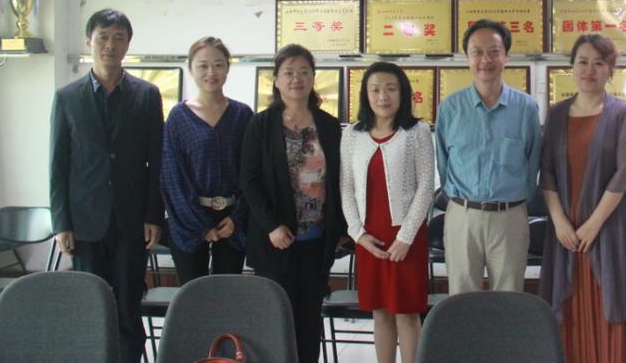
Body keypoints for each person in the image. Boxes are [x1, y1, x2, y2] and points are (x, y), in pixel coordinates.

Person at [49, 8, 164, 363]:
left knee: (128, 307)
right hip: (85, 223)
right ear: (89, 42)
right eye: (103, 37)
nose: (110, 45)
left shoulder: (147, 95)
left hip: (132, 221)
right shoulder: (67, 97)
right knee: (90, 306)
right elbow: (58, 165)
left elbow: (156, 162)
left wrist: (153, 215)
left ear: (128, 44)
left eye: (118, 38)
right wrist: (61, 223)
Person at [539, 35, 626, 362]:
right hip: (565, 233)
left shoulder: (623, 113)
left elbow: (624, 174)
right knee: (566, 311)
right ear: (571, 66)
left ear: (610, 69)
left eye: (599, 63)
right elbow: (547, 173)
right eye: (583, 61)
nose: (589, 70)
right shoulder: (556, 115)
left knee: (609, 307)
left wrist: (593, 225)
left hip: (608, 230)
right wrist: (559, 222)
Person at [240, 44, 345, 363]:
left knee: (309, 318)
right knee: (276, 317)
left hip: (317, 240)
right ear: (276, 80)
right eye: (288, 72)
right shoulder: (261, 125)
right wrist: (271, 225)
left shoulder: (329, 126)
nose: (296, 79)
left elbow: (340, 180)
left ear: (313, 77)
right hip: (275, 240)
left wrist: (339, 228)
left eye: (303, 72)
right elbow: (249, 180)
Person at [435, 19, 541, 294]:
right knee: (461, 298)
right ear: (467, 58)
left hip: (510, 217)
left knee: (509, 297)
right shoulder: (450, 108)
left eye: (494, 51)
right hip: (462, 215)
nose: (486, 59)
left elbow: (533, 164)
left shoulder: (526, 108)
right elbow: (443, 164)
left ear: (506, 56)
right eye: (477, 52)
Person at [340, 62, 434, 363]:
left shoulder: (417, 131)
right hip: (370, 238)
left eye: (391, 88)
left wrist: (406, 237)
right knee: (379, 312)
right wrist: (358, 234)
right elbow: (346, 187)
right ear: (365, 94)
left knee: (407, 313)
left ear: (402, 93)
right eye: (376, 89)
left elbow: (426, 186)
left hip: (406, 237)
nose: (383, 96)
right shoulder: (352, 134)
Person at [161, 37, 253, 284]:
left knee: (227, 292)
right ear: (191, 68)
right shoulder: (178, 117)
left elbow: (252, 173)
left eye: (218, 65)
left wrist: (236, 217)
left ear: (227, 68)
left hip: (233, 220)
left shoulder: (242, 115)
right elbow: (172, 178)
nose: (211, 72)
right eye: (203, 65)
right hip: (188, 221)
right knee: (193, 293)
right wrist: (201, 226)